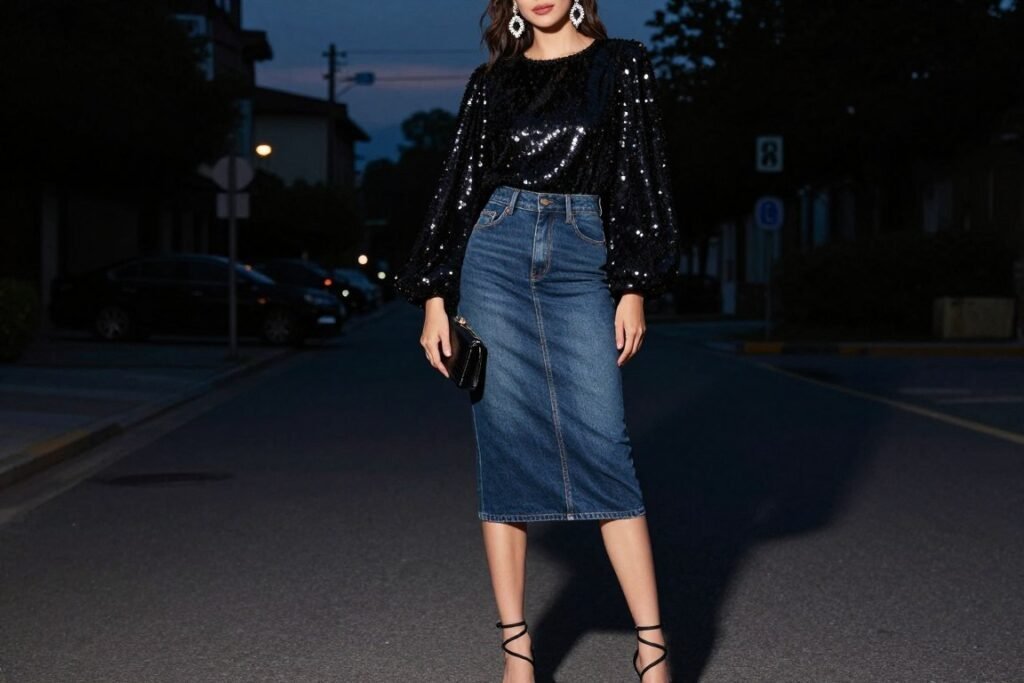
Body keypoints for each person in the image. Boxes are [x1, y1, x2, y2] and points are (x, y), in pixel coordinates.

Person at [393, 1, 680, 681]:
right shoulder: (492, 82)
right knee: (506, 449)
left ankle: (654, 647)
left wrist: (633, 284)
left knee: (606, 444)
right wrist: (435, 296)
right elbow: (459, 186)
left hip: (583, 251)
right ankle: (517, 654)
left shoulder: (622, 65)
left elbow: (639, 172)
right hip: (494, 249)